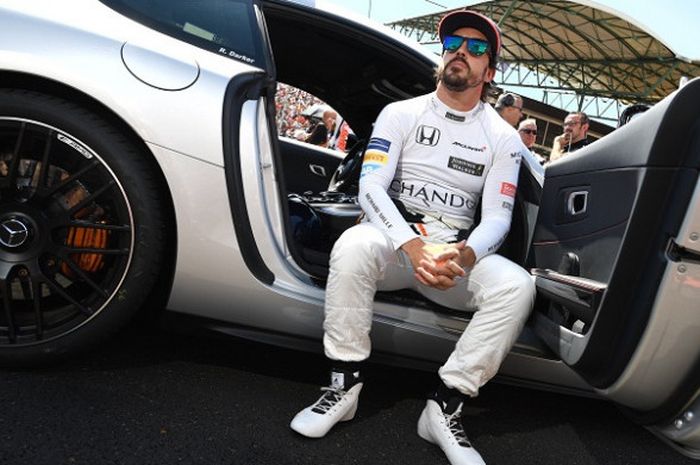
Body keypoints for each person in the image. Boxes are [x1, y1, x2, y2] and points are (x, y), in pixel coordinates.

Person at [290, 9, 535, 465]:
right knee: (354, 244)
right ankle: (343, 389)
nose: (462, 51)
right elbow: (370, 188)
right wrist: (412, 245)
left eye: (477, 47)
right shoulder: (399, 113)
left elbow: (498, 219)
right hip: (396, 247)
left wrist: (465, 256)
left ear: (490, 71)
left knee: (517, 286)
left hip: (451, 260)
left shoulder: (504, 138)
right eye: (453, 44)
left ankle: (444, 408)